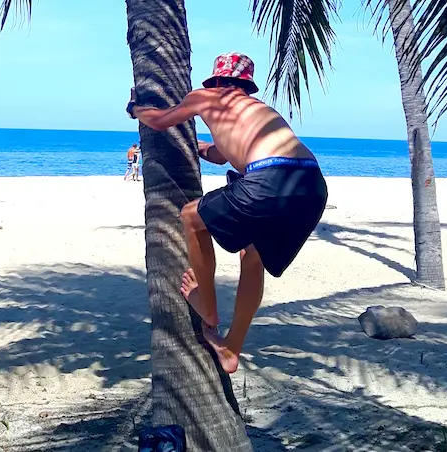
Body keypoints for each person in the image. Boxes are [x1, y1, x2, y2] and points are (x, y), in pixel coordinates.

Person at [126, 52, 328, 373]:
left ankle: (207, 307)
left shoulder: (205, 96)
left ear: (216, 80)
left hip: (270, 176)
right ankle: (231, 349)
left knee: (192, 217)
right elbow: (220, 154)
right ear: (246, 86)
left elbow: (159, 120)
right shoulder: (259, 112)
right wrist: (195, 147)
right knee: (253, 257)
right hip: (312, 183)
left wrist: (136, 108)